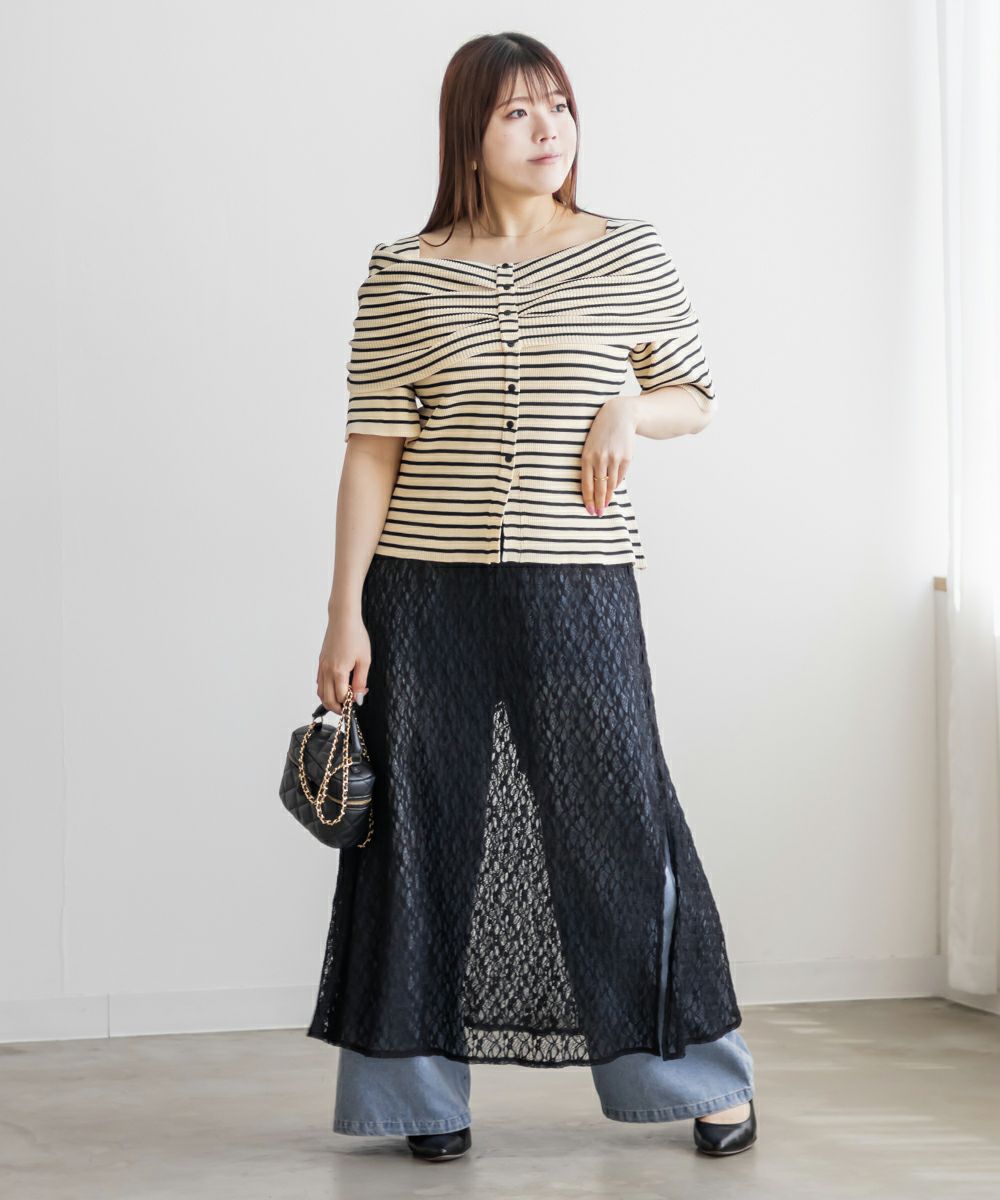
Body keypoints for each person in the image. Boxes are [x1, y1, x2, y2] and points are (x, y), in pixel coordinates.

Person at [307, 31, 758, 1162]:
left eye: (558, 105)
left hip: (579, 586)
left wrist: (626, 407)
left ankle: (696, 1077)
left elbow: (693, 395)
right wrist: (343, 610)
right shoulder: (403, 271)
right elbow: (373, 450)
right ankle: (417, 1100)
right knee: (417, 837)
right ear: (468, 134)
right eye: (516, 111)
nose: (547, 127)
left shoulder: (626, 251)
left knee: (621, 825)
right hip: (423, 594)